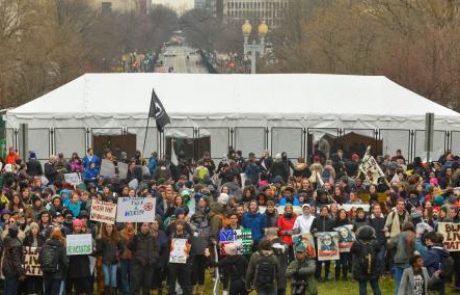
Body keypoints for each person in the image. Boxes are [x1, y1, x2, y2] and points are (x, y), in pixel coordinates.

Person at [351, 225, 382, 295]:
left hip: (360, 268)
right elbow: (378, 250)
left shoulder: (357, 243)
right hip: (373, 267)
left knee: (362, 286)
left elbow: (352, 251)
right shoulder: (375, 243)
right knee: (375, 286)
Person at [388, 221, 416, 295]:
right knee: (410, 284)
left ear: (403, 227)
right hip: (410, 262)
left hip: (399, 261)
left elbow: (390, 245)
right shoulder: (414, 236)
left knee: (399, 283)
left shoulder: (399, 235)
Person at [130, 222, 158, 295]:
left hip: (149, 265)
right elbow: (131, 247)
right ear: (140, 227)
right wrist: (133, 239)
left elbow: (156, 249)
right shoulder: (136, 237)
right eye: (144, 225)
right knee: (136, 286)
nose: (146, 227)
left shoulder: (152, 237)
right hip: (138, 265)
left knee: (147, 286)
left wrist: (153, 259)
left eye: (148, 226)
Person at [39, 227, 68, 295]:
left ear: (51, 235)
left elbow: (39, 260)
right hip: (57, 275)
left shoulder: (44, 245)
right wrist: (64, 274)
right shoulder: (61, 247)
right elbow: (65, 263)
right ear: (60, 235)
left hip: (46, 274)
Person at [167, 220, 192, 295]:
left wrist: (188, 254)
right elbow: (168, 248)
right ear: (175, 226)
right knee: (172, 281)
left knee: (185, 281)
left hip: (184, 262)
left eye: (181, 225)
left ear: (183, 226)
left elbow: (190, 248)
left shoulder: (187, 236)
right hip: (173, 262)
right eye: (178, 224)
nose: (179, 226)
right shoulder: (171, 236)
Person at [97, 223, 122, 295]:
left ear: (113, 228)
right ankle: (107, 292)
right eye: (107, 226)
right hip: (105, 262)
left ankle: (114, 292)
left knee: (113, 279)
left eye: (110, 226)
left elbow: (122, 248)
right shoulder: (102, 238)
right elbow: (99, 250)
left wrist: (118, 254)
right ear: (105, 228)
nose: (109, 228)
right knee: (107, 279)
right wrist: (99, 240)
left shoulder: (117, 238)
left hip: (114, 262)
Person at [2, 224, 25, 295]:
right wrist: (21, 273)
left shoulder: (7, 239)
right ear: (17, 232)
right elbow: (16, 261)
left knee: (7, 289)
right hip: (13, 270)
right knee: (11, 290)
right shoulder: (16, 244)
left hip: (6, 268)